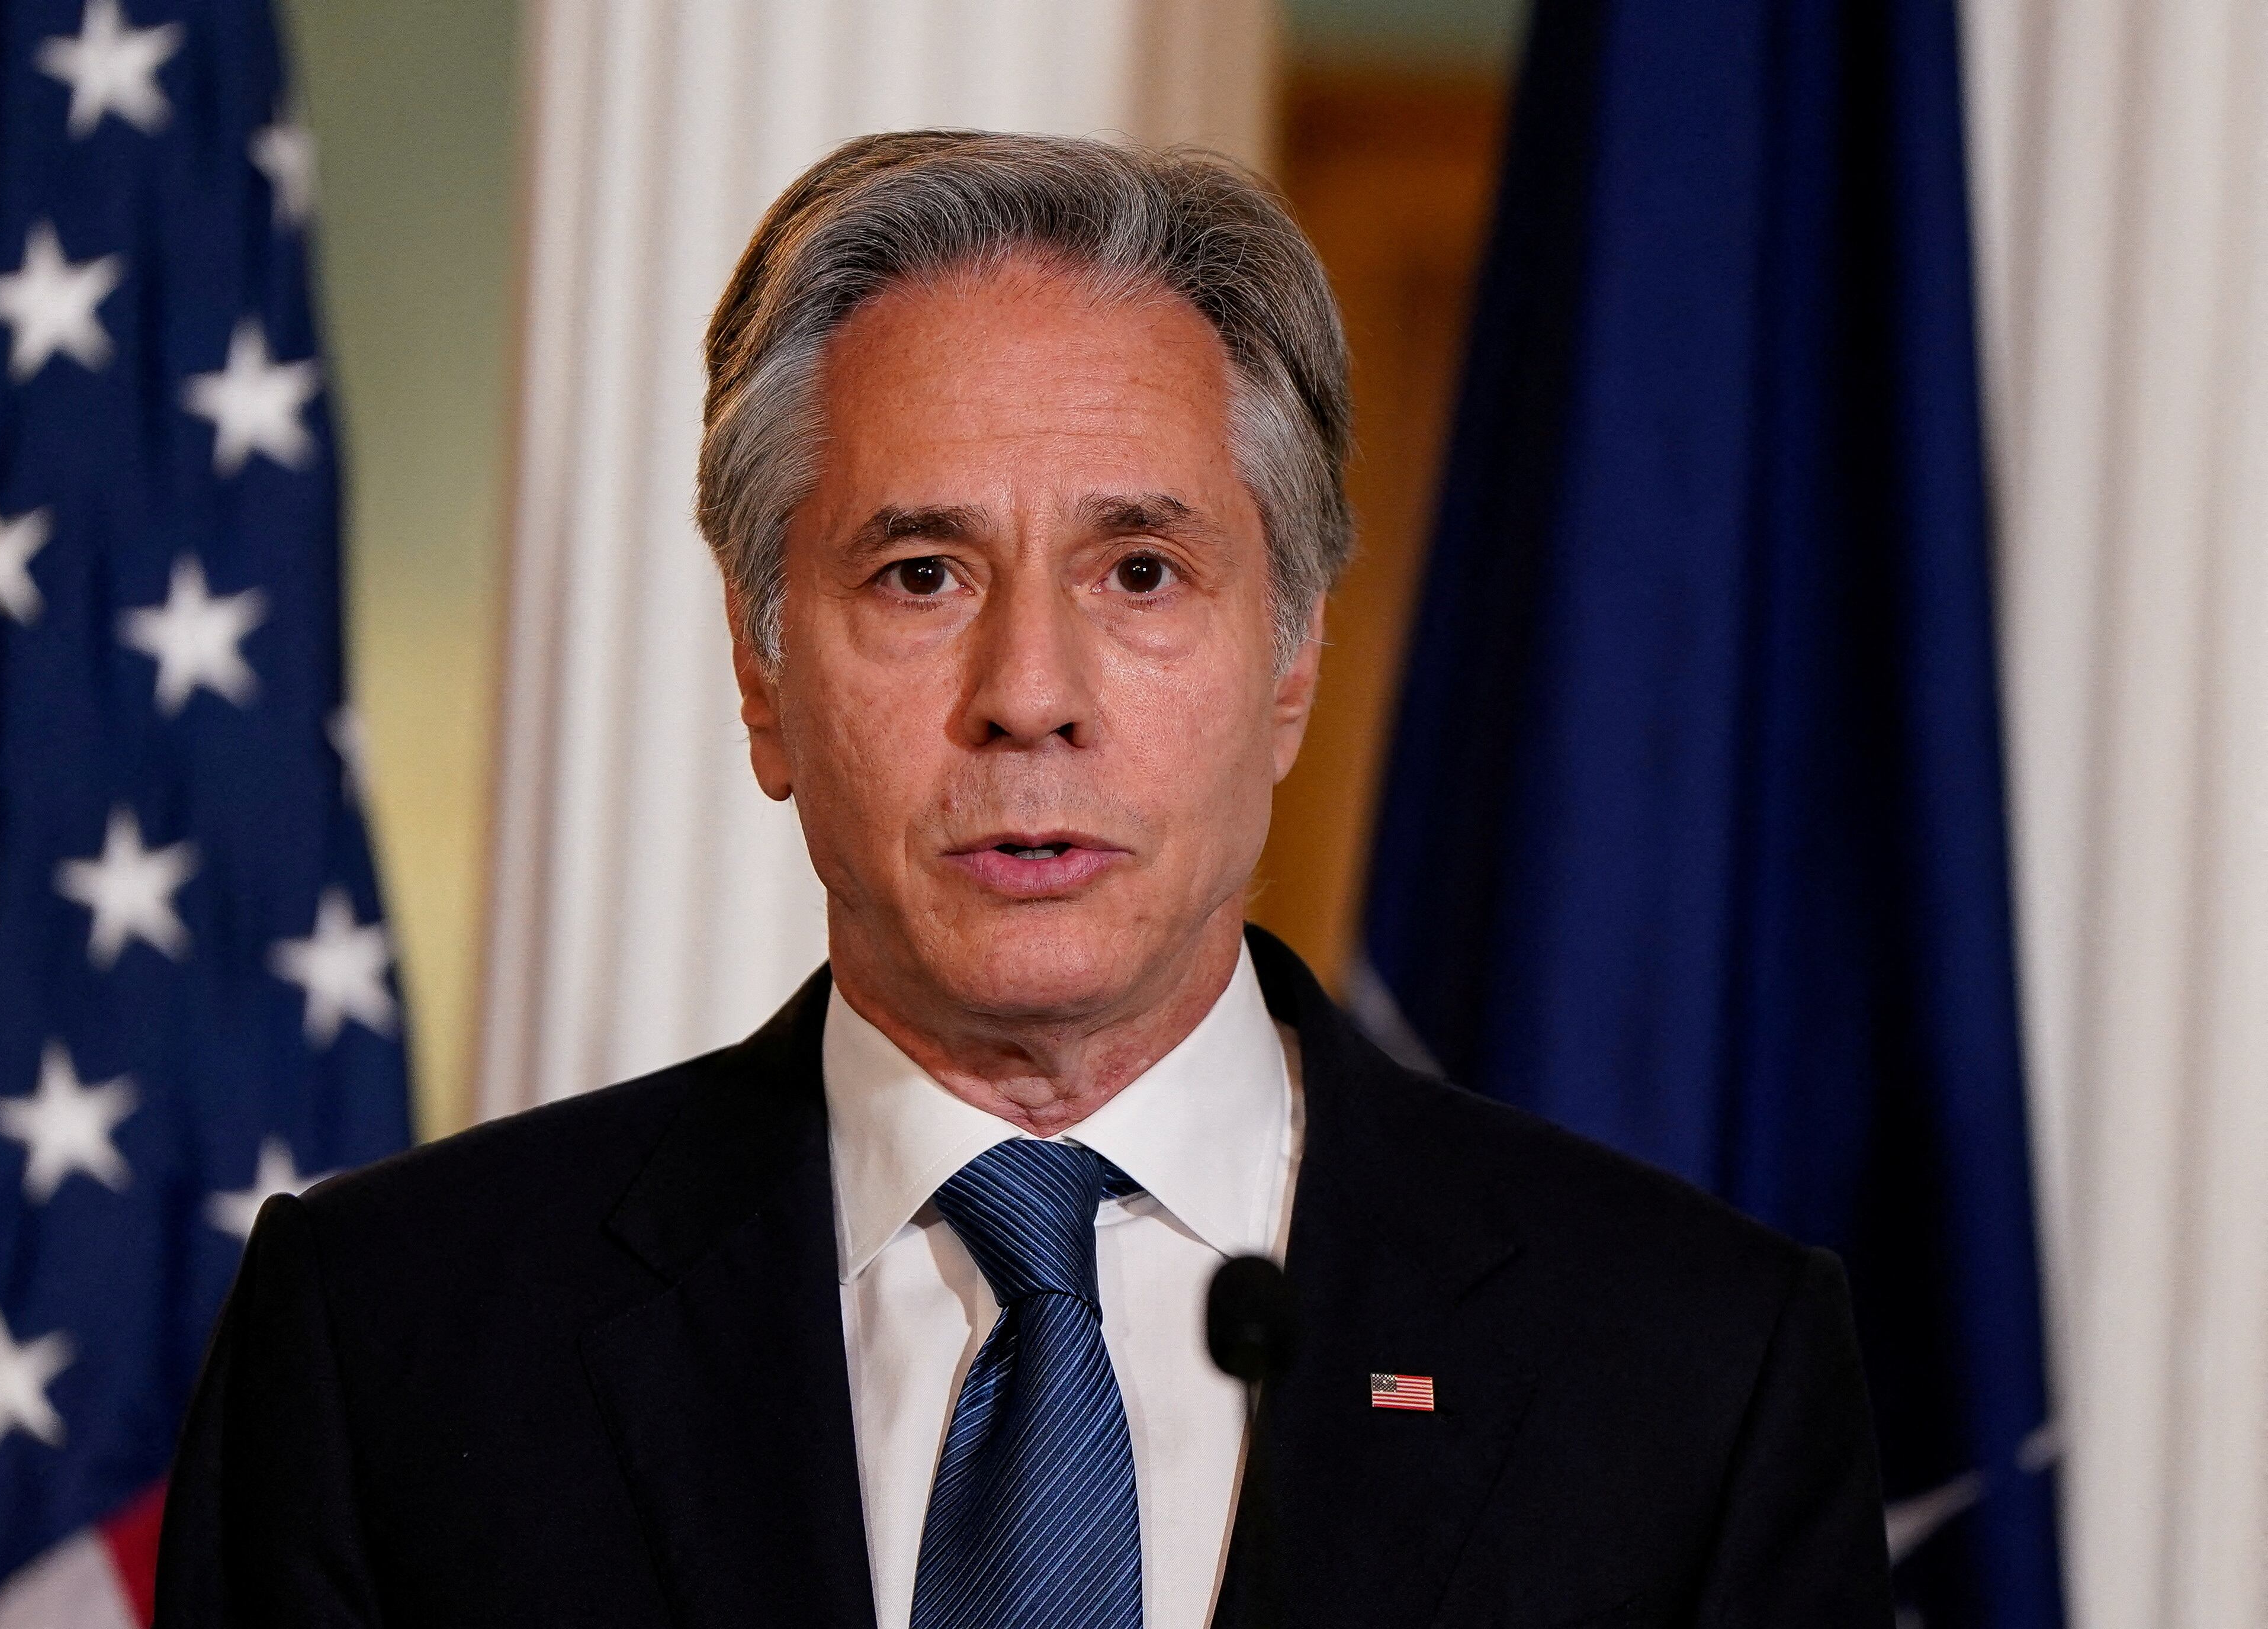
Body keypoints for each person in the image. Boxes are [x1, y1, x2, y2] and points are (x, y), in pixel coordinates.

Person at [156, 131, 1894, 1629]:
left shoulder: (1689, 1369)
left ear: (1288, 664)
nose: (1029, 692)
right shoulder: (390, 1348)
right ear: (765, 680)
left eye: (1141, 571)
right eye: (920, 575)